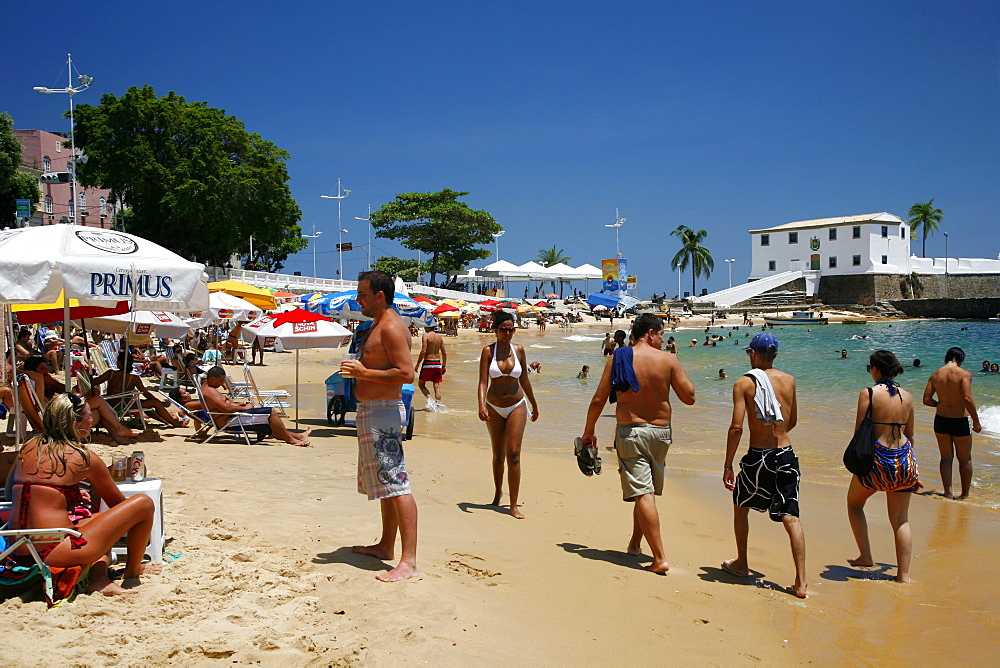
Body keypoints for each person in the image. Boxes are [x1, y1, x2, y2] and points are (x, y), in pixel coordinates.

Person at [7, 393, 155, 595]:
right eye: (88, 415)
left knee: (96, 519)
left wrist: (67, 498)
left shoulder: (28, 448)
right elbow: (118, 505)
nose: (92, 419)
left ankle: (100, 579)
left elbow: (12, 493)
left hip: (16, 547)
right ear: (75, 422)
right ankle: (132, 572)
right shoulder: (82, 456)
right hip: (53, 549)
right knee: (143, 504)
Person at [581, 314, 694, 574]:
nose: (663, 339)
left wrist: (589, 430)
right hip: (661, 433)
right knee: (646, 491)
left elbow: (599, 399)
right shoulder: (669, 359)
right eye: (662, 334)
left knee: (643, 492)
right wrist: (669, 372)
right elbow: (689, 397)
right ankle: (634, 544)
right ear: (651, 333)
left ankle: (660, 557)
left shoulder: (619, 357)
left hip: (631, 432)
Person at [342, 270, 419, 581]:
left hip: (384, 412)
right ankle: (387, 545)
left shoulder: (391, 327)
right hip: (371, 411)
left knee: (398, 484)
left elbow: (406, 374)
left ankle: (409, 561)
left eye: (362, 295)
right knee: (387, 485)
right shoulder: (376, 325)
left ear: (380, 296)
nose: (358, 300)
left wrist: (364, 373)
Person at [722, 332, 807, 598]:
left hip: (759, 456)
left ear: (754, 354)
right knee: (791, 515)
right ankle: (801, 583)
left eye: (750, 353)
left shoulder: (744, 383)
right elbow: (791, 420)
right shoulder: (789, 380)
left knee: (740, 505)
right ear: (775, 355)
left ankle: (742, 563)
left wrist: (728, 464)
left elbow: (736, 427)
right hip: (785, 453)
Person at [847, 350, 918, 584]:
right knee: (901, 519)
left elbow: (859, 434)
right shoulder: (907, 396)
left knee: (855, 504)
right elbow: (911, 436)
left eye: (870, 368)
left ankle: (866, 556)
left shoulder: (868, 393)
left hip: (878, 460)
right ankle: (903, 576)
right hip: (904, 459)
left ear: (876, 370)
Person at [478, 310, 539, 520]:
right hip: (493, 406)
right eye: (504, 329)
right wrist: (481, 406)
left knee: (513, 454)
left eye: (511, 329)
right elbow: (483, 382)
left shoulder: (519, 351)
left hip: (517, 405)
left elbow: (525, 380)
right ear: (495, 330)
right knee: (498, 455)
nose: (508, 333)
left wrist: (534, 404)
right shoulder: (488, 352)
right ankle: (497, 493)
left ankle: (513, 504)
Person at [923, 346, 982, 499]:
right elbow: (967, 398)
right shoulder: (965, 374)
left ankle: (948, 492)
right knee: (965, 458)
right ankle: (964, 494)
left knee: (946, 458)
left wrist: (940, 405)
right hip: (960, 420)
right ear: (960, 359)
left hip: (941, 419)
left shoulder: (935, 374)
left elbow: (927, 400)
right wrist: (976, 420)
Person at [200, 366, 310, 446]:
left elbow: (223, 405)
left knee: (262, 411)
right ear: (213, 379)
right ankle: (291, 440)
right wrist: (244, 408)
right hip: (230, 421)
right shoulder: (210, 391)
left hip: (233, 417)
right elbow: (225, 408)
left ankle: (298, 436)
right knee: (270, 412)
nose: (221, 384)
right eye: (220, 381)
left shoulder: (208, 389)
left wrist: (238, 404)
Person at [414, 325, 447, 412]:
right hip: (437, 363)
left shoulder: (426, 335)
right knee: (436, 386)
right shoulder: (439, 337)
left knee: (421, 384)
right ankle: (438, 405)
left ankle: (430, 400)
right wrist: (444, 366)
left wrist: (417, 364)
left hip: (428, 363)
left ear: (428, 327)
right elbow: (444, 352)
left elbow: (423, 350)